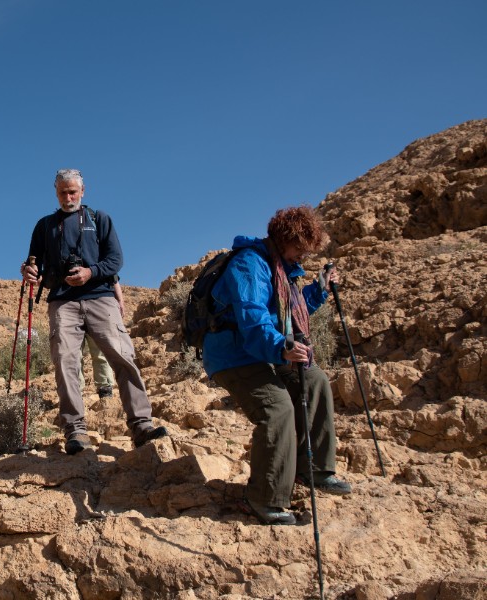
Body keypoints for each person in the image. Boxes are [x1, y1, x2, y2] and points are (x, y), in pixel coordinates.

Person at [203, 205, 351, 526]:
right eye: (300, 249)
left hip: (265, 349)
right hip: (234, 354)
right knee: (277, 408)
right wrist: (281, 347)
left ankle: (314, 470)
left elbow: (286, 313)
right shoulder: (249, 264)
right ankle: (264, 498)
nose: (303, 256)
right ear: (284, 240)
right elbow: (253, 317)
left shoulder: (284, 268)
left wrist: (320, 289)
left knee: (314, 381)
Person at [22, 168, 167, 455]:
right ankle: (75, 430)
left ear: (83, 191)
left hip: (100, 296)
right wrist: (30, 271)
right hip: (62, 299)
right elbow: (33, 262)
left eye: (73, 191)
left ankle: (141, 425)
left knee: (122, 357)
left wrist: (91, 272)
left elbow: (116, 260)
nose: (68, 197)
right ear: (56, 192)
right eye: (63, 192)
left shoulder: (99, 219)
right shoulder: (44, 226)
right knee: (65, 361)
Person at [79, 278, 125, 398]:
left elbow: (113, 277)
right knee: (74, 354)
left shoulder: (100, 260)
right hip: (70, 303)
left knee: (100, 350)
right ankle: (76, 390)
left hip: (98, 302)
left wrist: (120, 301)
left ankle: (105, 388)